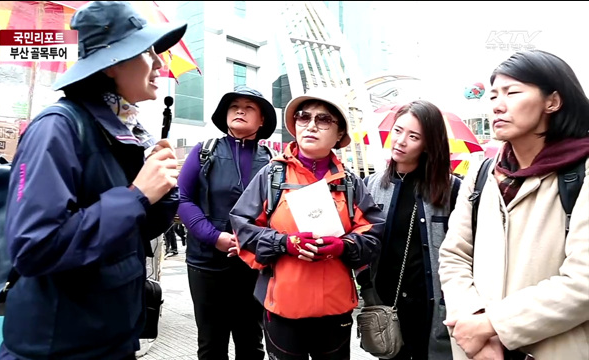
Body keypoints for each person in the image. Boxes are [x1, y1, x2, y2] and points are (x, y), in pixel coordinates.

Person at [0, 2, 186, 359]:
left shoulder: (123, 132)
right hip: (57, 349)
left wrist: (162, 190)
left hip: (111, 341)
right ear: (113, 63)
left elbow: (131, 232)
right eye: (148, 51)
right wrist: (136, 195)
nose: (161, 64)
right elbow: (34, 248)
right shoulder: (56, 128)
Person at [439, 49, 589, 360]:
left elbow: (583, 282)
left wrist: (493, 324)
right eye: (493, 95)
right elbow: (454, 255)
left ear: (553, 101)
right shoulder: (481, 173)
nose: (498, 105)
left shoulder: (581, 173)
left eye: (512, 92)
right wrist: (476, 328)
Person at [230, 88, 386, 360]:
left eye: (324, 120)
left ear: (339, 134)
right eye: (304, 117)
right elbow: (242, 226)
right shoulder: (272, 176)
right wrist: (283, 243)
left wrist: (343, 246)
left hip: (335, 310)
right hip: (283, 309)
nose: (311, 125)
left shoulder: (350, 183)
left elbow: (373, 233)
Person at [177, 85, 277, 360]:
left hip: (253, 264)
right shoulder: (203, 151)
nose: (240, 111)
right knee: (211, 343)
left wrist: (255, 242)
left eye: (249, 107)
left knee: (251, 340)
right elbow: (183, 198)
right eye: (234, 107)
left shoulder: (272, 162)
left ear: (262, 120)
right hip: (206, 262)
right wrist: (214, 237)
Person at [357, 100, 460, 360]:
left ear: (429, 144)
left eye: (413, 136)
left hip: (431, 302)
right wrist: (366, 285)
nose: (400, 141)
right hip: (384, 301)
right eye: (397, 131)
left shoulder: (452, 190)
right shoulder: (371, 185)